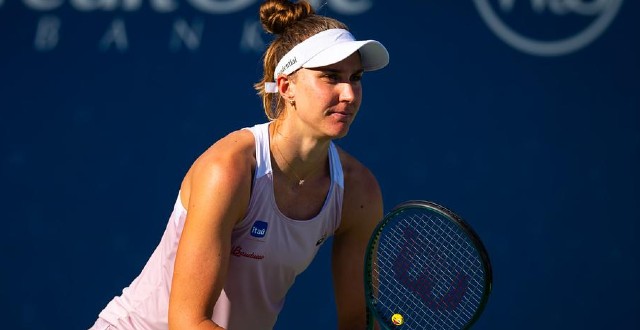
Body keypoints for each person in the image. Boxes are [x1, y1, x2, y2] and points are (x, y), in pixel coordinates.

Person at [89, 0, 389, 329]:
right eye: (331, 77)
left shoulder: (358, 191)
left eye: (356, 77)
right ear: (287, 86)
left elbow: (358, 321)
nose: (349, 93)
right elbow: (188, 322)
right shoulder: (228, 170)